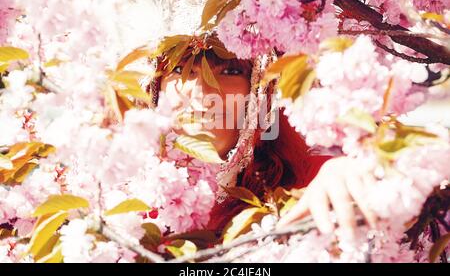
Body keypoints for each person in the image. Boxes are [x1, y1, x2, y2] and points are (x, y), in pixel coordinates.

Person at [150, 43, 377, 240]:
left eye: (230, 70)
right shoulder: (123, 203)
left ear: (259, 91)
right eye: (180, 69)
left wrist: (358, 174)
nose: (201, 93)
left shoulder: (309, 185)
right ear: (154, 88)